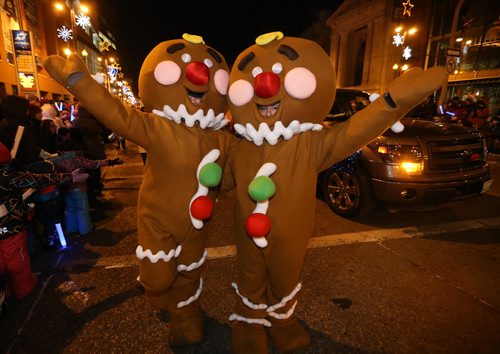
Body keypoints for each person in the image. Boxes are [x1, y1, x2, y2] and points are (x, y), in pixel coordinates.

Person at [223, 32, 447, 353]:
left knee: (285, 275)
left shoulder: (311, 143)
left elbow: (355, 130)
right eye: (254, 77)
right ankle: (248, 319)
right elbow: (223, 181)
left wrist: (393, 101)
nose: (265, 85)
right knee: (249, 273)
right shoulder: (238, 148)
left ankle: (281, 318)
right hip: (247, 232)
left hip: (292, 234)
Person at [43, 33, 236, 347]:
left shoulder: (223, 138)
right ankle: (160, 287)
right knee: (157, 278)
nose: (198, 76)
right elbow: (117, 114)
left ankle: (187, 317)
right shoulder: (157, 127)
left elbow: (232, 177)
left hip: (198, 225)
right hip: (157, 221)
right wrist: (79, 80)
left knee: (189, 272)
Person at [0, 140, 88, 300]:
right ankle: (23, 290)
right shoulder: (8, 176)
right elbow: (39, 179)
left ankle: (6, 292)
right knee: (16, 261)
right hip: (11, 229)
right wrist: (69, 177)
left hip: (10, 228)